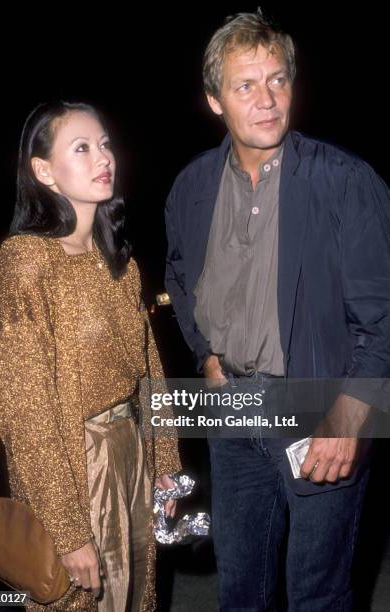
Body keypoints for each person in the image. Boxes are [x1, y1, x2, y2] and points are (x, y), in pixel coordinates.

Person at [164, 11, 390, 612]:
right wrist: (206, 355)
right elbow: (181, 278)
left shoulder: (345, 181)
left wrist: (352, 418)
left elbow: (385, 314)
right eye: (245, 85)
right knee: (241, 590)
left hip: (320, 414)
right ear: (214, 99)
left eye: (278, 80)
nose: (267, 100)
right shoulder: (190, 187)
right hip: (232, 414)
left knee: (318, 594)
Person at [0, 100, 181, 612]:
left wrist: (164, 461)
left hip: (131, 455)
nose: (104, 157)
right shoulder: (25, 263)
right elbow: (21, 406)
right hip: (74, 466)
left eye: (106, 144)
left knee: (136, 595)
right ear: (44, 171)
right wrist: (68, 531)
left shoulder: (120, 262)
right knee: (77, 601)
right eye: (82, 147)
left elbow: (150, 371)